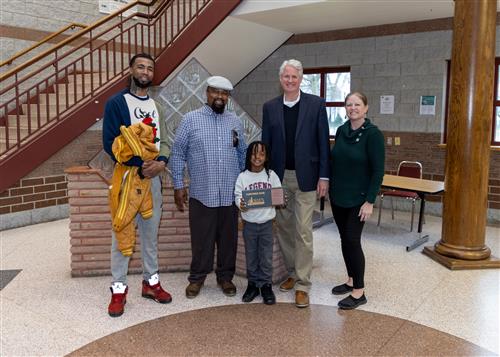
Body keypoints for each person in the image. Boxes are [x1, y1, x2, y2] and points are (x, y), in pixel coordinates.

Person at [102, 53, 172, 317]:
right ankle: (118, 289)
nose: (145, 71)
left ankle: (150, 283)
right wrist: (139, 162)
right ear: (131, 70)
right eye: (140, 66)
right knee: (121, 234)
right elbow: (110, 142)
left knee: (150, 235)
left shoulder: (158, 107)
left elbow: (164, 141)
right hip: (128, 180)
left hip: (153, 181)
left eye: (149, 68)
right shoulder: (116, 103)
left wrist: (161, 162)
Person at [170, 76, 247, 299]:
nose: (220, 97)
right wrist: (178, 184)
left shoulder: (235, 121)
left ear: (228, 97)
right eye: (216, 92)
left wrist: (243, 184)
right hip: (202, 193)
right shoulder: (190, 120)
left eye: (224, 93)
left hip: (229, 194)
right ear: (207, 93)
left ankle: (225, 277)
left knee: (228, 239)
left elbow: (242, 152)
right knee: (201, 239)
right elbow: (177, 153)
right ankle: (197, 278)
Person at [262, 59, 330, 308]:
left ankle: (303, 284)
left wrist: (324, 176)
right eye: (286, 77)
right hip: (278, 178)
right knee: (284, 227)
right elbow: (266, 144)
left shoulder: (316, 104)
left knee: (303, 230)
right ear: (280, 79)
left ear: (301, 79)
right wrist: (266, 177)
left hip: (307, 178)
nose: (290, 81)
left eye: (294, 77)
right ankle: (292, 271)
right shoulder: (270, 107)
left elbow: (323, 142)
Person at [329, 91, 385, 310]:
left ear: (366, 108)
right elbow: (336, 162)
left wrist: (370, 201)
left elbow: (377, 171)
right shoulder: (341, 131)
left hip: (359, 200)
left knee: (352, 240)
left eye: (357, 104)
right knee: (344, 239)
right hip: (338, 196)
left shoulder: (373, 135)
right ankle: (351, 279)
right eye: (349, 104)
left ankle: (359, 291)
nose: (353, 108)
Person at [234, 141, 282, 305]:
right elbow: (238, 196)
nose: (258, 157)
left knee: (266, 257)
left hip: (267, 224)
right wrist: (241, 203)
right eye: (254, 153)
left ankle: (266, 285)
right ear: (249, 156)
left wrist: (280, 199)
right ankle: (253, 285)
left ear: (266, 156)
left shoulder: (271, 175)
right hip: (250, 225)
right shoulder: (243, 176)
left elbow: (277, 195)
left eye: (262, 154)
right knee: (252, 256)